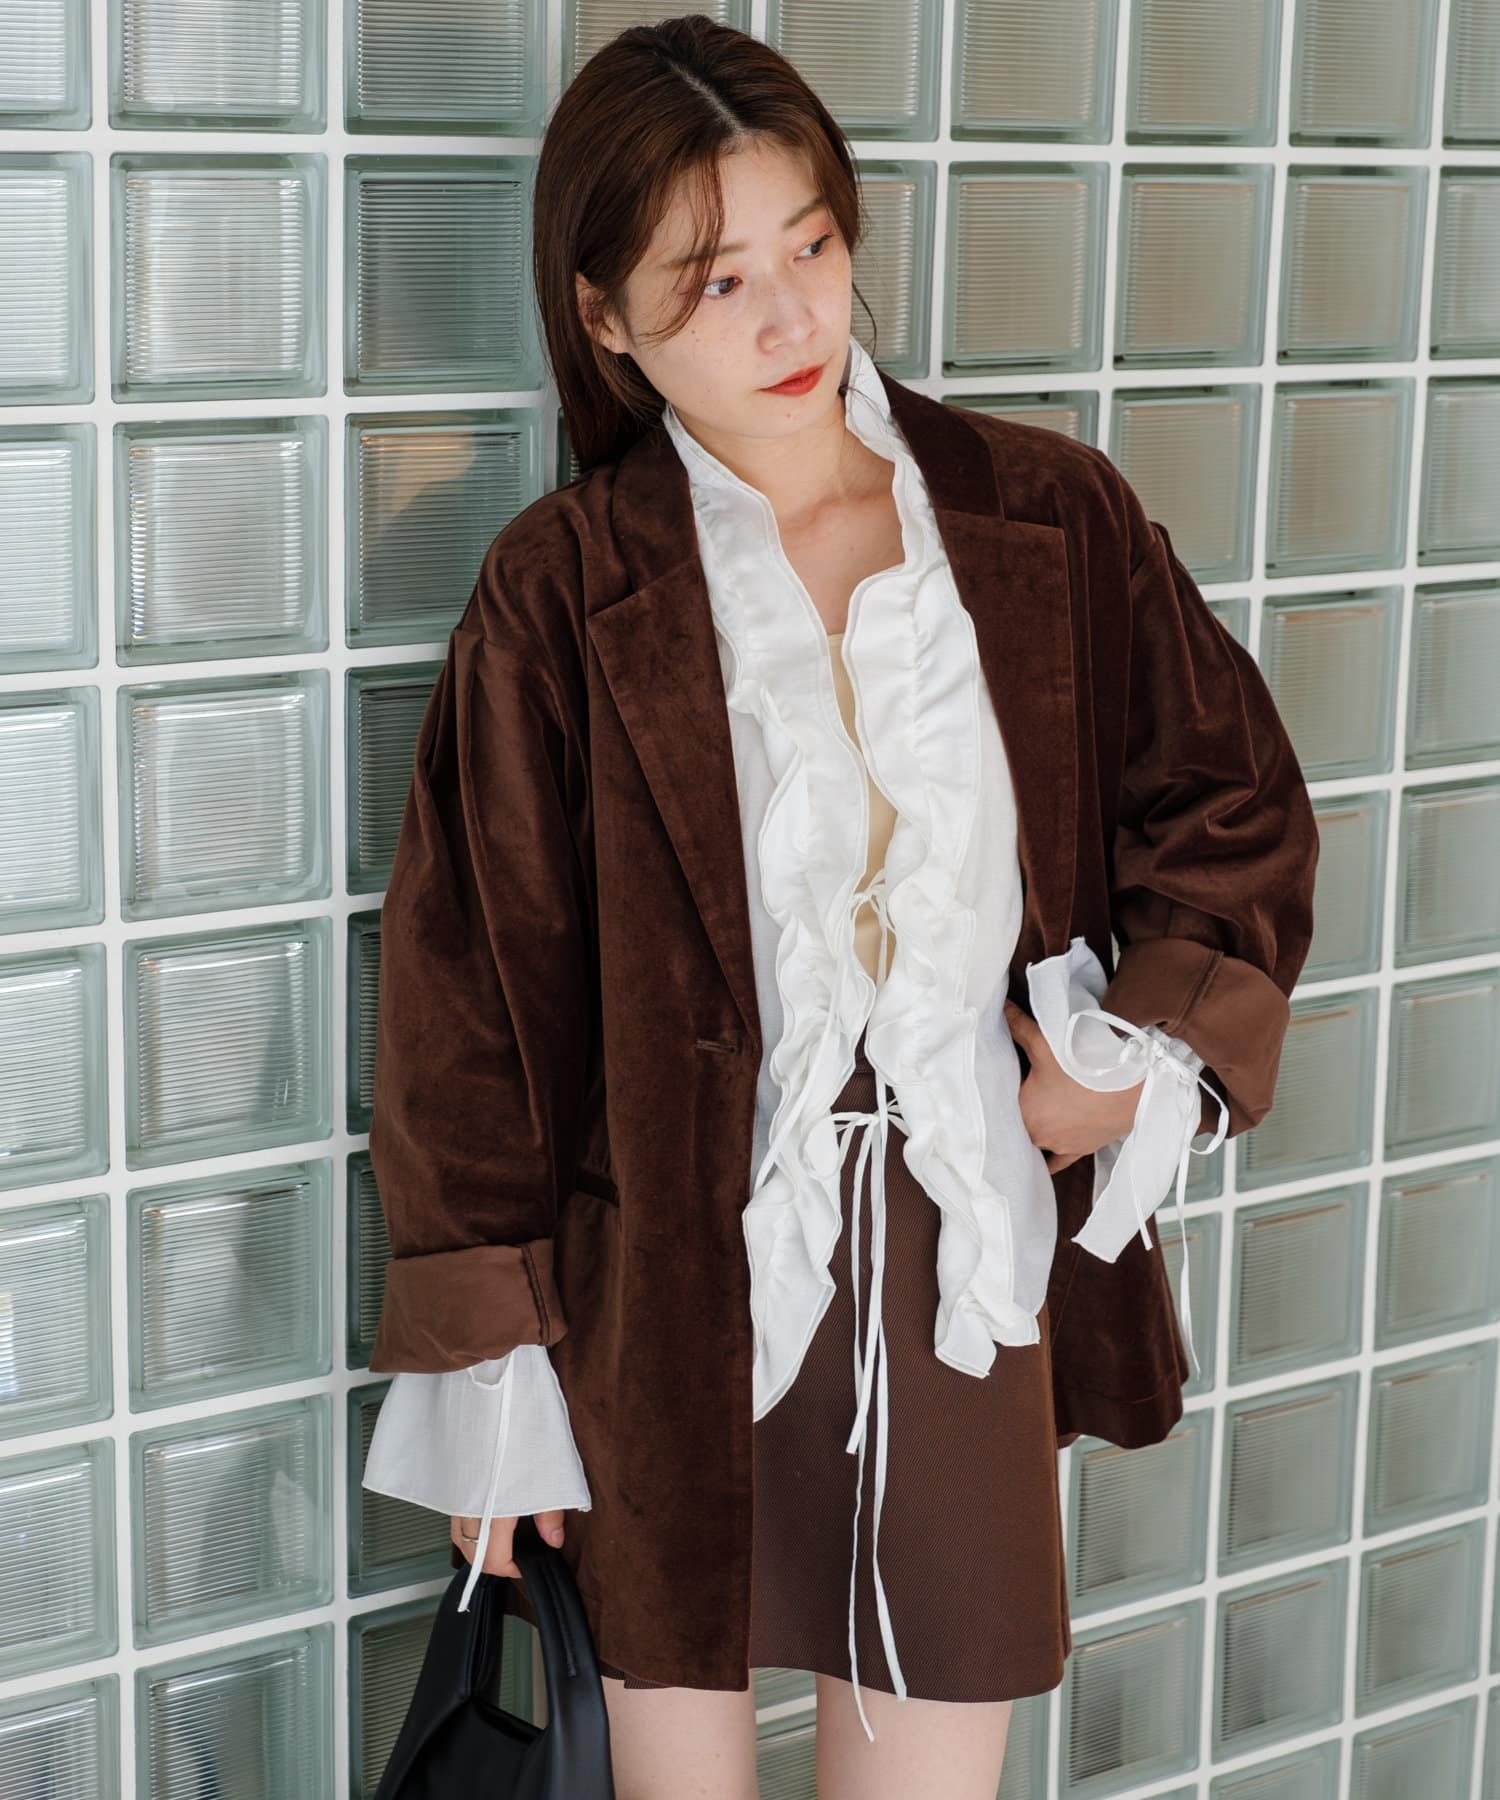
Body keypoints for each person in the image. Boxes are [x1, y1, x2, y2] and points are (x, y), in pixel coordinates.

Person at [360, 16, 1318, 1799]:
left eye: (811, 244)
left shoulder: (1045, 519)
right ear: (605, 316)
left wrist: (1134, 1059)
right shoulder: (560, 590)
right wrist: (489, 1384)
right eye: (716, 280)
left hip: (967, 1262)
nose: (792, 315)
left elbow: (1234, 801)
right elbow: (470, 1002)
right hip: (661, 1306)